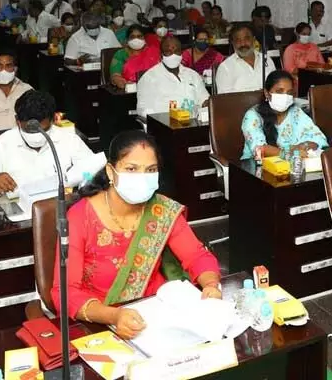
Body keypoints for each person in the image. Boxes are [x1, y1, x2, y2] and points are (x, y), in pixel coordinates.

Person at [51, 130, 221, 338]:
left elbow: (197, 257)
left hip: (157, 316)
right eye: (131, 169)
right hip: (100, 322)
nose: (142, 177)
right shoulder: (79, 218)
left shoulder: (161, 209)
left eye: (150, 170)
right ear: (111, 172)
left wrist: (211, 286)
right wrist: (114, 316)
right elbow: (65, 292)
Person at [0, 91, 94, 196]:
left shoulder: (69, 139)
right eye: (29, 130)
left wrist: (85, 178)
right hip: (18, 219)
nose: (36, 137)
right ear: (17, 121)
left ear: (53, 120)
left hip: (62, 210)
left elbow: (93, 172)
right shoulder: (0, 145)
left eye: (42, 130)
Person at [241, 71, 327, 159]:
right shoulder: (253, 116)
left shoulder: (295, 111)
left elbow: (318, 138)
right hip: (255, 168)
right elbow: (259, 150)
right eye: (279, 91)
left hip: (291, 168)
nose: (285, 96)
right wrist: (291, 154)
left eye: (289, 93)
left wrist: (303, 145)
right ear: (267, 93)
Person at [136, 36, 210, 116]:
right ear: (161, 55)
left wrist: (207, 103)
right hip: (165, 124)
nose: (173, 55)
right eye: (168, 51)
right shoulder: (149, 78)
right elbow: (142, 109)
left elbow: (204, 99)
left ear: (181, 53)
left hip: (194, 123)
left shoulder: (193, 75)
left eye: (177, 51)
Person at [216, 23, 277, 94]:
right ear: (233, 43)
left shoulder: (266, 60)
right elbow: (223, 99)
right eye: (238, 40)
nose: (243, 44)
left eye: (247, 39)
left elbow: (276, 86)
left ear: (254, 40)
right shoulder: (225, 68)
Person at [282, 22, 327, 92]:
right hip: (298, 82)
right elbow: (290, 70)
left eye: (308, 34)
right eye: (304, 34)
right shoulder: (290, 49)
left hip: (316, 80)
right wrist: (310, 69)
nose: (306, 36)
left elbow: (322, 65)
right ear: (297, 34)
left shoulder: (314, 47)